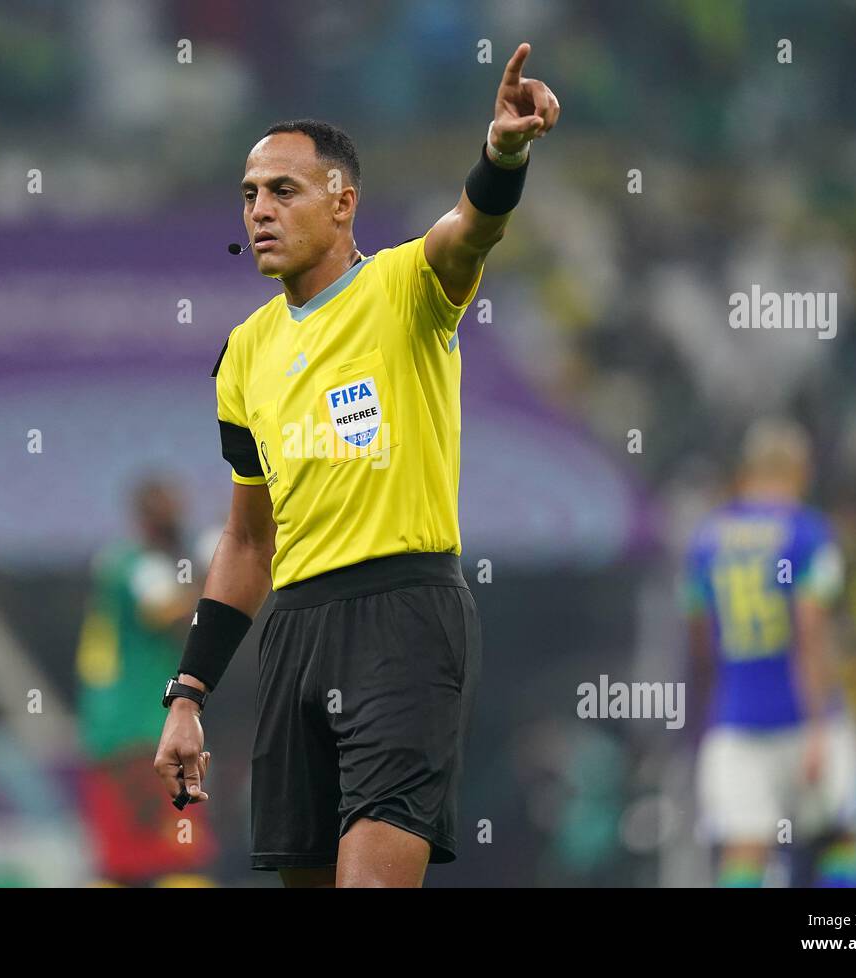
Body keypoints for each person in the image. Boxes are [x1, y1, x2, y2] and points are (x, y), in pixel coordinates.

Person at [153, 43, 560, 887]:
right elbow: (247, 544)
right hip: (295, 632)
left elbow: (471, 225)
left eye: (283, 191)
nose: (259, 210)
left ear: (344, 203)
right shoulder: (243, 356)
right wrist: (188, 694)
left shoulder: (407, 288)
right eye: (250, 195)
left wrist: (505, 151)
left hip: (404, 619)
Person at [685, 419, 856, 887]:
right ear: (801, 472)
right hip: (801, 715)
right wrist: (817, 723)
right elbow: (809, 632)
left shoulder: (706, 541)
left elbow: (702, 643)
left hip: (736, 720)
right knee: (842, 836)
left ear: (746, 472)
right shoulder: (808, 533)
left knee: (745, 851)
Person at [77, 477, 217, 885]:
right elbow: (169, 612)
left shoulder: (117, 562)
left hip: (109, 731)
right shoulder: (139, 564)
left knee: (123, 862)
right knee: (178, 856)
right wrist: (224, 576)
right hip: (145, 729)